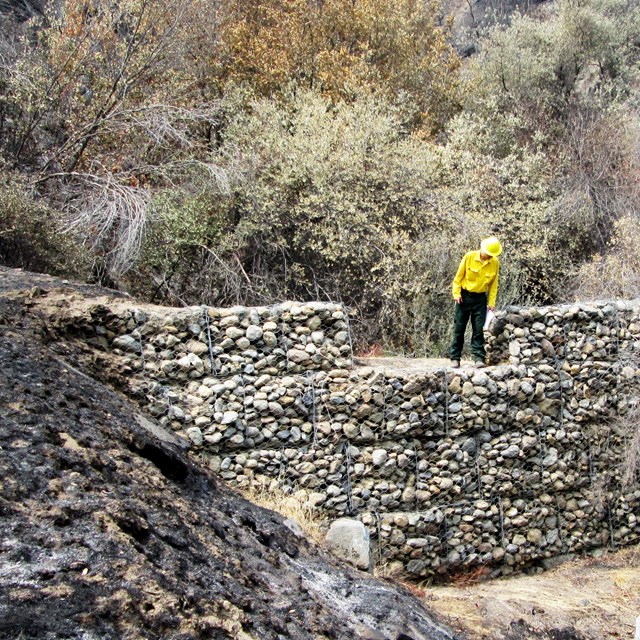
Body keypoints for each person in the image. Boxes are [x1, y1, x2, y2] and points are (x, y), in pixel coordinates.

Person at [449, 237, 502, 368]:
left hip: (480, 299)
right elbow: (458, 278)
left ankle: (478, 358)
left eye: (492, 255)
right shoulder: (469, 257)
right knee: (459, 329)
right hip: (464, 297)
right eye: (489, 254)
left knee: (478, 330)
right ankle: (455, 358)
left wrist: (491, 302)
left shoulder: (494, 262)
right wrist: (456, 294)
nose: (490, 257)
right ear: (483, 249)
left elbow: (494, 285)